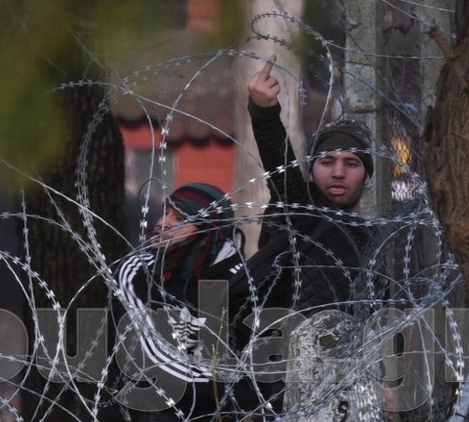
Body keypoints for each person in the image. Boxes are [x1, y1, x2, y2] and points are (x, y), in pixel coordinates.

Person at [227, 57, 380, 421]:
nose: (339, 172)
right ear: (311, 171)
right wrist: (263, 111)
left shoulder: (374, 240)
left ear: (367, 175)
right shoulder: (303, 212)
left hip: (355, 380)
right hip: (292, 379)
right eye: (327, 162)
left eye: (352, 163)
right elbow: (278, 159)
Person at [112, 183, 246, 422]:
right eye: (165, 212)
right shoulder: (137, 271)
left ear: (207, 232)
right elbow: (155, 351)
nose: (162, 224)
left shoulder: (238, 280)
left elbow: (247, 361)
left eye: (180, 219)